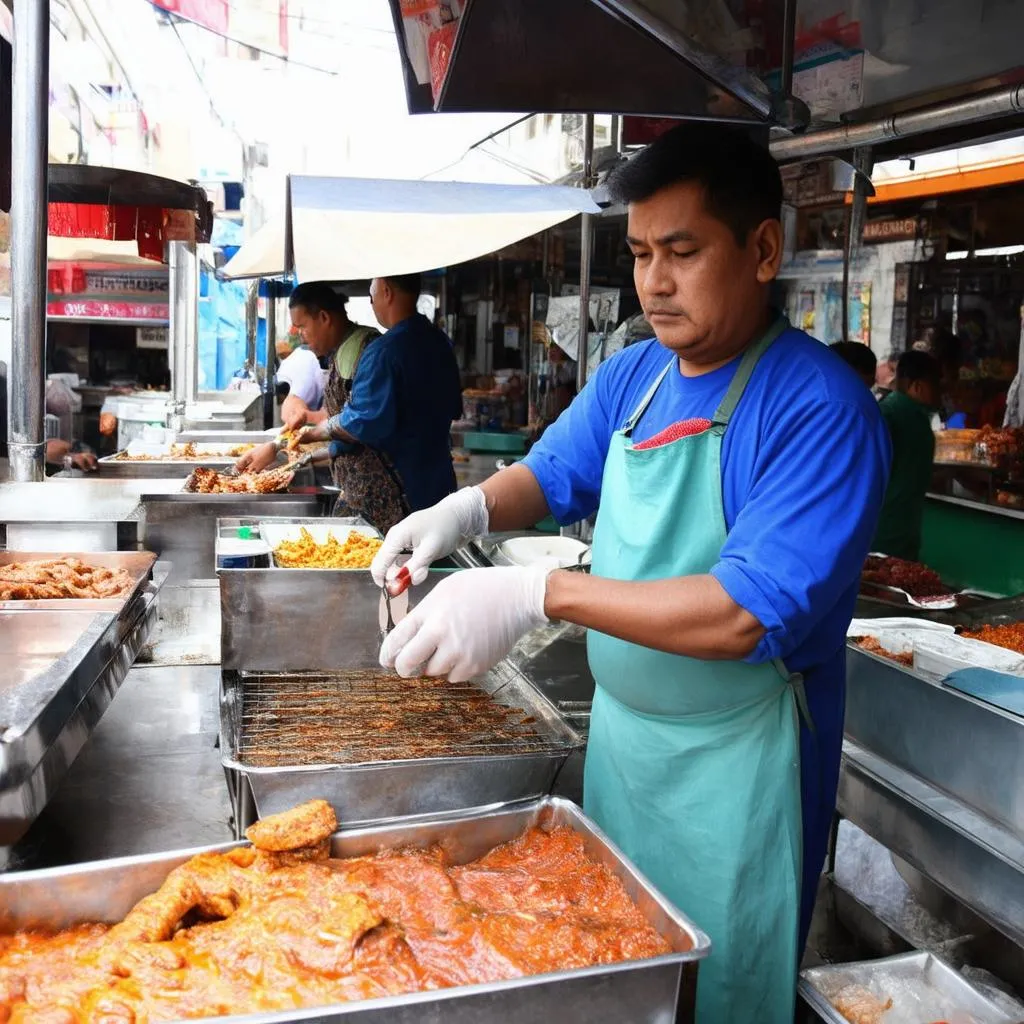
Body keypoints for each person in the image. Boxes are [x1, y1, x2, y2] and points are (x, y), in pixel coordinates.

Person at [371, 124, 890, 1023]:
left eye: (683, 252)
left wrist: (535, 593)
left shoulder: (820, 411)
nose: (654, 280)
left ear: (763, 249)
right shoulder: (635, 375)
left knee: (719, 994)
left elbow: (740, 615)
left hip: (740, 774)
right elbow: (552, 471)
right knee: (614, 975)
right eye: (643, 253)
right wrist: (462, 512)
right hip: (622, 754)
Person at [290, 273, 463, 530]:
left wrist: (312, 433)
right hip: (439, 487)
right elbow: (452, 409)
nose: (371, 301)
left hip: (399, 498)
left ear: (385, 290)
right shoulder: (438, 342)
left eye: (372, 291)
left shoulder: (384, 351)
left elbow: (363, 421)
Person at [873, 349, 941, 560]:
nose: (942, 393)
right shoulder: (891, 415)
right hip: (884, 535)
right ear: (917, 386)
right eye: (937, 385)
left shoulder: (910, 416)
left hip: (899, 535)